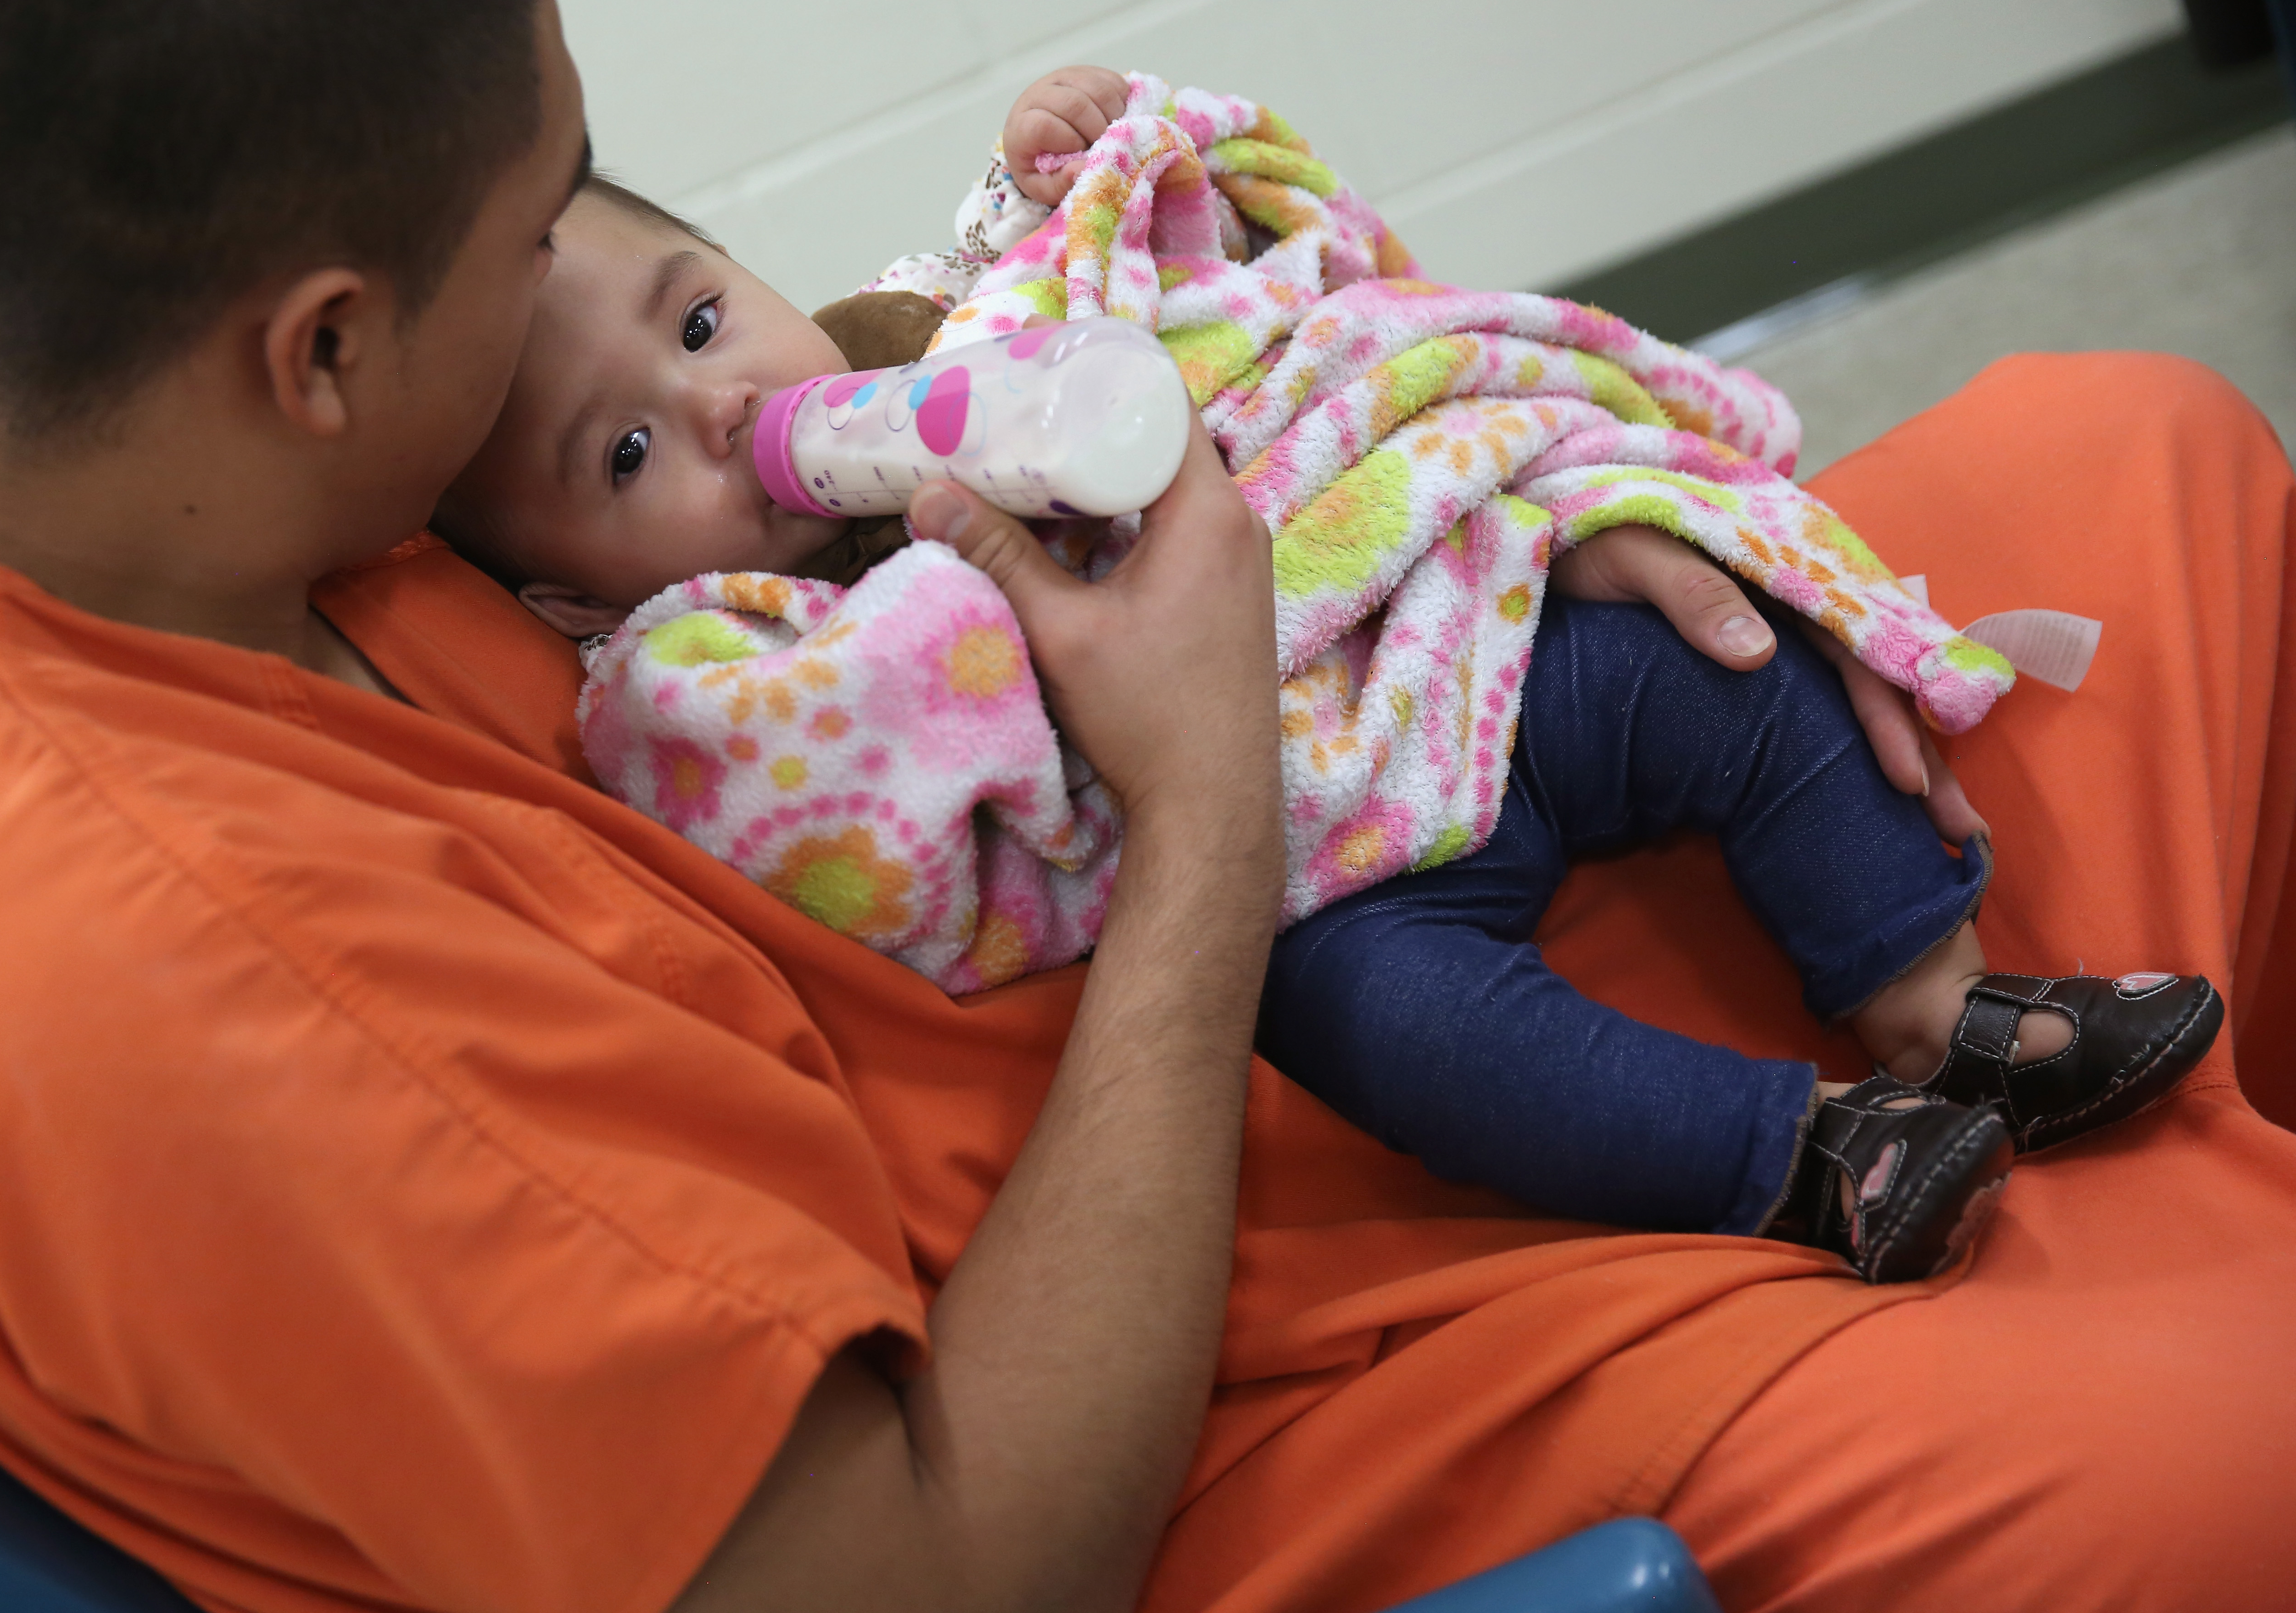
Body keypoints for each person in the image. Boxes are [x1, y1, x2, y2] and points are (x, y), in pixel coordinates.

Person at [0, 0, 2296, 1613]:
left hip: (1156, 971)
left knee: (2139, 460)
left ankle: (2062, 1101)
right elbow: (946, 1609)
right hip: (1183, 1389)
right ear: (320, 356)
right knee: (2226, 1446)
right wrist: (1208, 816)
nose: (593, 285)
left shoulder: (98, 491)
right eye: (528, 223)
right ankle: (1946, 1186)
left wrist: (1448, 550)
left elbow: (778, 533)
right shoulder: (213, 1001)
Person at [431, 101, 2215, 1282]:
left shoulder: (923, 356)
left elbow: (1111, 273)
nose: (733, 411)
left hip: (1430, 671)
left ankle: (1943, 1002)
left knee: (1717, 667)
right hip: (1307, 881)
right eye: (632, 449)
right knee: (1403, 1036)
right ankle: (1819, 1156)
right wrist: (954, 581)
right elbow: (862, 815)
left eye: (697, 323)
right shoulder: (700, 672)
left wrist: (1072, 173)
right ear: (575, 588)